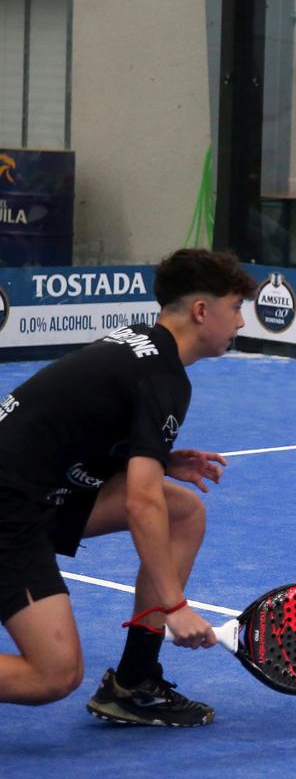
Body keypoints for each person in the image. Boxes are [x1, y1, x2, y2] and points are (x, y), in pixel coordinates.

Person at [0, 248, 256, 724]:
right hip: (10, 509)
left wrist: (160, 457)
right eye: (236, 308)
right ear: (202, 311)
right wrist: (175, 606)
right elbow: (140, 502)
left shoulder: (137, 344)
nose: (240, 323)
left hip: (32, 488)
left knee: (183, 509)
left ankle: (134, 681)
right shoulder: (164, 379)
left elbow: (77, 425)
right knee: (54, 674)